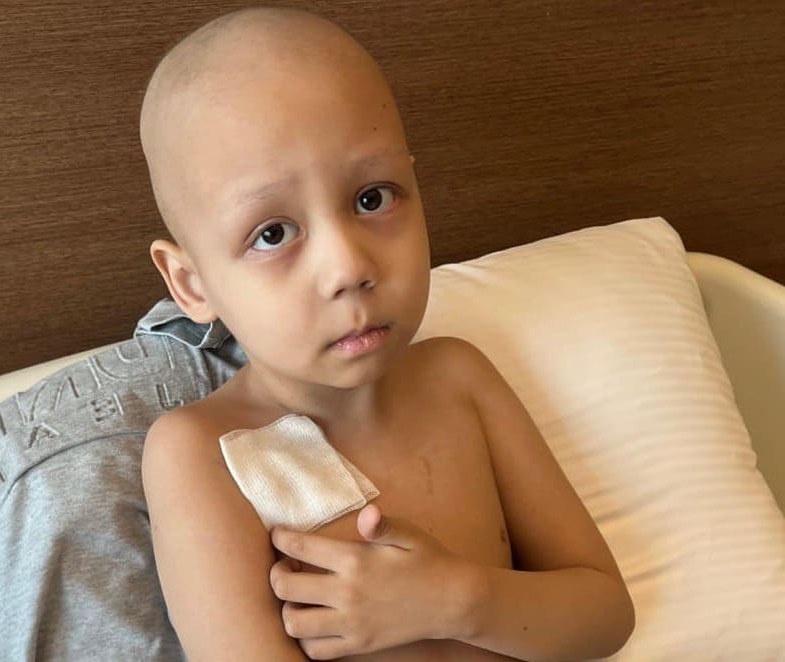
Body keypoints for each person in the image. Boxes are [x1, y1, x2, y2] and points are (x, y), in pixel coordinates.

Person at [138, 6, 635, 661]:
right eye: (273, 234)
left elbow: (606, 615)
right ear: (192, 283)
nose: (348, 268)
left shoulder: (458, 380)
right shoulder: (200, 453)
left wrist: (457, 601)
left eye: (372, 198)